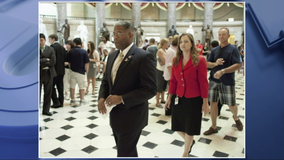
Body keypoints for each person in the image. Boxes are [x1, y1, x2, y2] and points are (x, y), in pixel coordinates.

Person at [98, 21, 156, 157]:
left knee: (124, 152)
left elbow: (150, 89)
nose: (115, 37)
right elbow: (106, 80)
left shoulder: (143, 56)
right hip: (115, 115)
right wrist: (101, 97)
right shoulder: (112, 56)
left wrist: (122, 98)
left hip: (132, 116)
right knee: (125, 151)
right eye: (114, 34)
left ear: (130, 35)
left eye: (119, 33)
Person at [165, 33, 209, 157]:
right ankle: (190, 141)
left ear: (192, 44)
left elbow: (204, 83)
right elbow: (173, 81)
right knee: (177, 125)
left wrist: (205, 103)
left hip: (194, 99)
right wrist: (169, 97)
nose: (183, 44)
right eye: (181, 42)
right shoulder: (176, 60)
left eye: (186, 41)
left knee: (190, 127)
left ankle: (185, 153)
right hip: (179, 97)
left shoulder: (199, 60)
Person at [204, 27, 243, 135]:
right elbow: (207, 64)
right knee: (213, 103)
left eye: (224, 34)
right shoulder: (215, 50)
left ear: (228, 36)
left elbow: (238, 64)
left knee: (231, 104)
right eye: (220, 34)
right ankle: (214, 126)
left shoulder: (233, 49)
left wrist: (223, 71)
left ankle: (236, 117)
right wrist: (216, 64)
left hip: (227, 81)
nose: (221, 36)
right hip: (213, 81)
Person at [66, 38, 90, 106]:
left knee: (72, 86)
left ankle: (72, 99)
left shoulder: (71, 51)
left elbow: (69, 62)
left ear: (74, 43)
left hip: (72, 71)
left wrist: (71, 68)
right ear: (81, 43)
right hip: (81, 71)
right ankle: (82, 99)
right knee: (81, 86)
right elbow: (87, 63)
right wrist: (87, 71)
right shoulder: (84, 52)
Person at [40, 33, 57, 116]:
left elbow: (53, 61)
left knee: (48, 92)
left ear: (45, 40)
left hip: (48, 73)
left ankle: (46, 110)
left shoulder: (50, 49)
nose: (40, 42)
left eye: (41, 40)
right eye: (38, 40)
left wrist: (41, 62)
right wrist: (45, 60)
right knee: (37, 93)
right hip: (39, 73)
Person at [48, 34, 66, 108]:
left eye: (49, 39)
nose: (49, 41)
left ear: (53, 39)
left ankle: (56, 101)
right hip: (61, 70)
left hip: (54, 70)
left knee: (51, 86)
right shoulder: (62, 47)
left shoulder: (52, 47)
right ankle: (61, 102)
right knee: (60, 87)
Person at [163, 35, 179, 115]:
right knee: (171, 93)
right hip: (171, 75)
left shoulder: (173, 50)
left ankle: (171, 109)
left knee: (172, 93)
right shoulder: (171, 51)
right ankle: (168, 110)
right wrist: (173, 77)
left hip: (172, 74)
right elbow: (169, 65)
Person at [155, 38, 169, 108]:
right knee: (159, 86)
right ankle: (157, 102)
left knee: (164, 86)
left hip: (165, 70)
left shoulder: (165, 51)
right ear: (164, 44)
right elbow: (165, 60)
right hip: (160, 70)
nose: (168, 44)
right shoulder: (160, 51)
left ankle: (162, 99)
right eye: (167, 43)